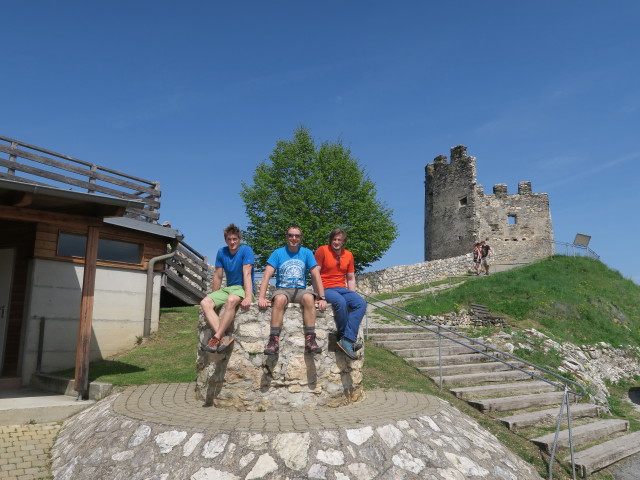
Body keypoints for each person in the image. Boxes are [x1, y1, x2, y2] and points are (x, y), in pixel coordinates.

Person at [258, 225, 327, 355]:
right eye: (291, 235)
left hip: (300, 290)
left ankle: (310, 339)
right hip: (283, 289)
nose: (293, 238)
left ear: (300, 238)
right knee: (279, 300)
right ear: (287, 237)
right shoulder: (278, 253)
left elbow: (316, 275)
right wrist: (261, 298)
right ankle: (273, 340)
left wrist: (322, 297)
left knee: (309, 298)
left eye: (297, 236)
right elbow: (266, 275)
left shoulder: (306, 253)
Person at [200, 224, 254, 353]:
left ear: (239, 239)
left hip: (242, 288)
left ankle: (216, 337)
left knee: (230, 300)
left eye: (235, 239)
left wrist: (248, 296)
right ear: (226, 240)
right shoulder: (221, 252)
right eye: (229, 239)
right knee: (205, 302)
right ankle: (224, 337)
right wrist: (214, 297)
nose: (232, 242)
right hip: (228, 288)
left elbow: (246, 273)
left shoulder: (246, 250)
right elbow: (218, 276)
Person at [314, 228, 366, 360]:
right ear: (331, 240)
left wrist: (352, 295)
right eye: (334, 239)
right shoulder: (323, 250)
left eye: (339, 240)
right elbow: (315, 274)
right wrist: (320, 296)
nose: (336, 242)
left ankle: (347, 339)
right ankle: (344, 337)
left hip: (342, 288)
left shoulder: (348, 255)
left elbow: (350, 278)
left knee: (360, 303)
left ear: (343, 242)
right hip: (326, 288)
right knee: (340, 302)